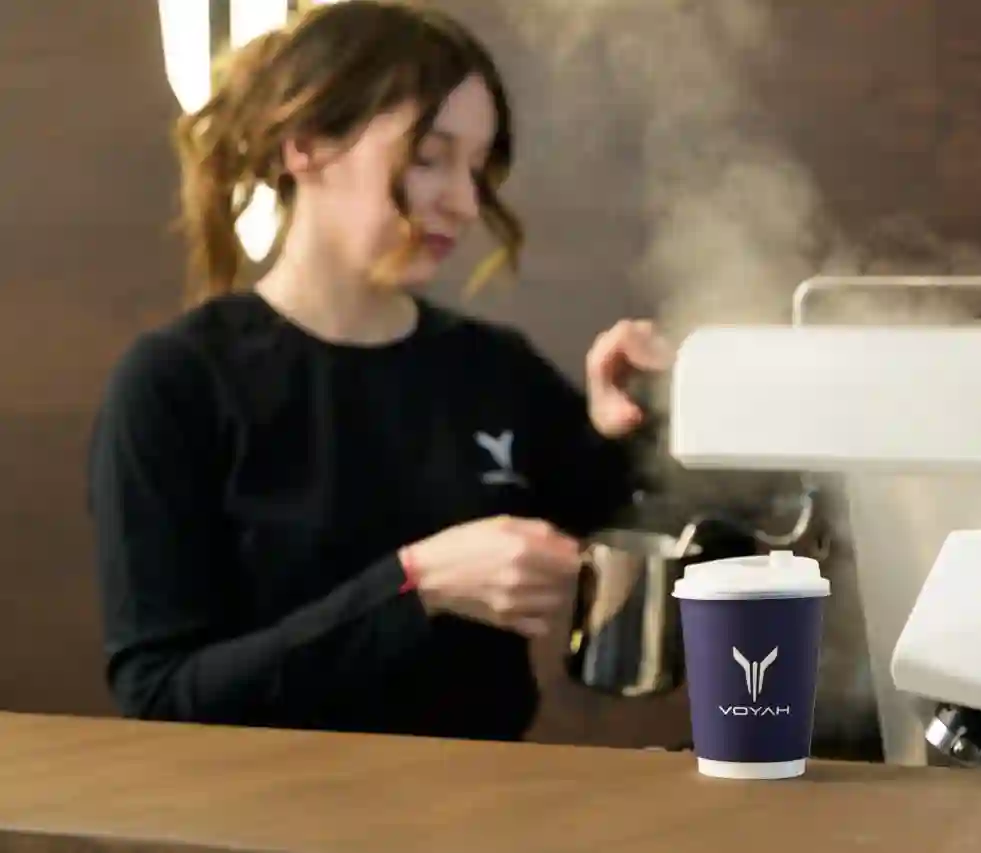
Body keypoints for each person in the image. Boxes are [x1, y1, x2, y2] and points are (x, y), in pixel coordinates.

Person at [87, 0, 669, 741]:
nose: (464, 203)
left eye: (476, 169)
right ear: (306, 146)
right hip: (259, 803)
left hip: (478, 798)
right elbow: (161, 696)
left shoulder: (494, 371)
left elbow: (633, 524)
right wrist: (417, 584)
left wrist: (627, 423)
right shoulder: (178, 382)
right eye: (429, 158)